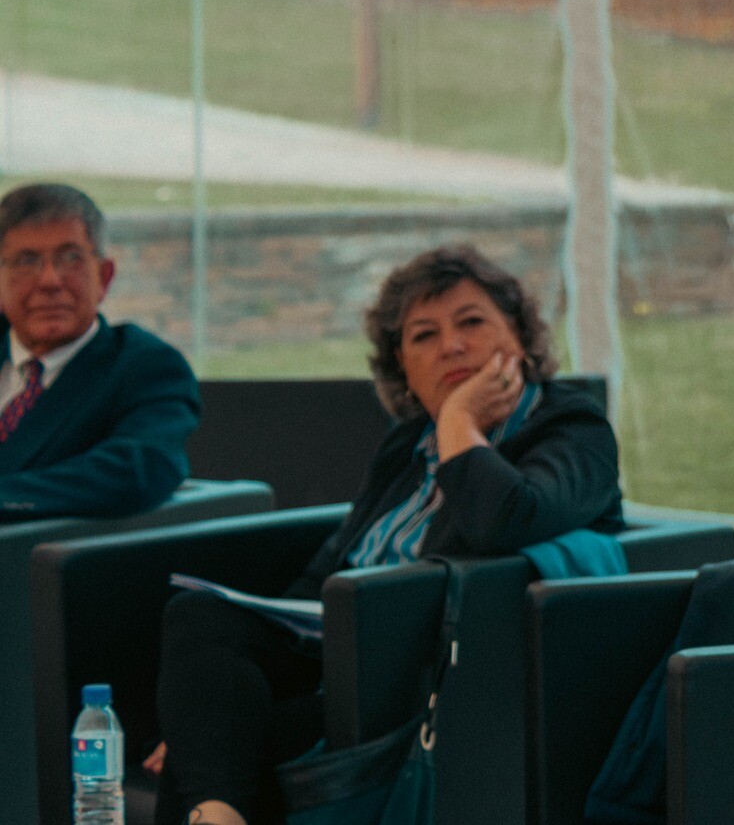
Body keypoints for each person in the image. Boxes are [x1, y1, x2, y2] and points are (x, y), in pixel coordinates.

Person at [149, 245, 626, 825]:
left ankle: (214, 790)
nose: (451, 346)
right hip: (339, 643)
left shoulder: (571, 428)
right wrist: (204, 708)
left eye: (472, 323)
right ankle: (218, 807)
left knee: (220, 749)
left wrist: (459, 422)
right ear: (402, 364)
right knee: (197, 618)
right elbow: (331, 568)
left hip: (427, 669)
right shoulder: (407, 442)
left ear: (520, 338)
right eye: (424, 335)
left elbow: (505, 519)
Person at [0, 182, 200, 519]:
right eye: (26, 260)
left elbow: (138, 472)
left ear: (104, 277)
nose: (49, 281)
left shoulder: (147, 369)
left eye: (71, 258)